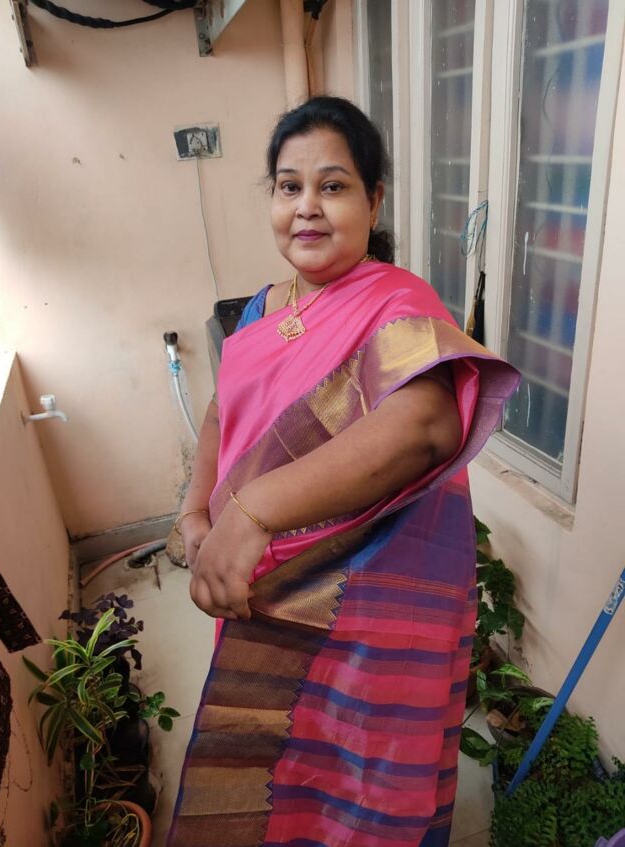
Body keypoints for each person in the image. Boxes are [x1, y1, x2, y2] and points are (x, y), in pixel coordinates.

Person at [168, 96, 519, 847]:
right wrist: (198, 511)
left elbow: (424, 426)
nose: (307, 207)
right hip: (264, 587)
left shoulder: (397, 304)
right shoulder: (260, 310)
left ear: (373, 201)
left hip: (365, 606)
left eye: (332, 186)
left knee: (362, 771)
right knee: (278, 757)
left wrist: (253, 511)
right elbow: (221, 412)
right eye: (288, 186)